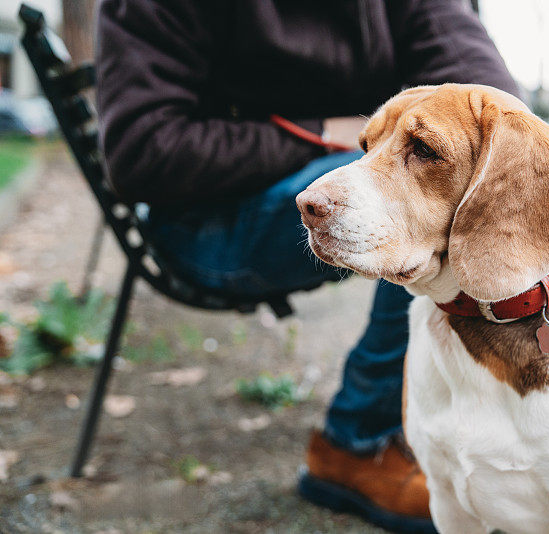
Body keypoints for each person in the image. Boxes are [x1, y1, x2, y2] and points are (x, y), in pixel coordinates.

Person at [96, 1, 519, 531]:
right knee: (405, 203)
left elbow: (493, 103)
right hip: (205, 224)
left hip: (330, 173)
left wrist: (396, 144)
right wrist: (326, 131)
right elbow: (143, 149)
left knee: (444, 185)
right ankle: (359, 439)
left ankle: (461, 432)